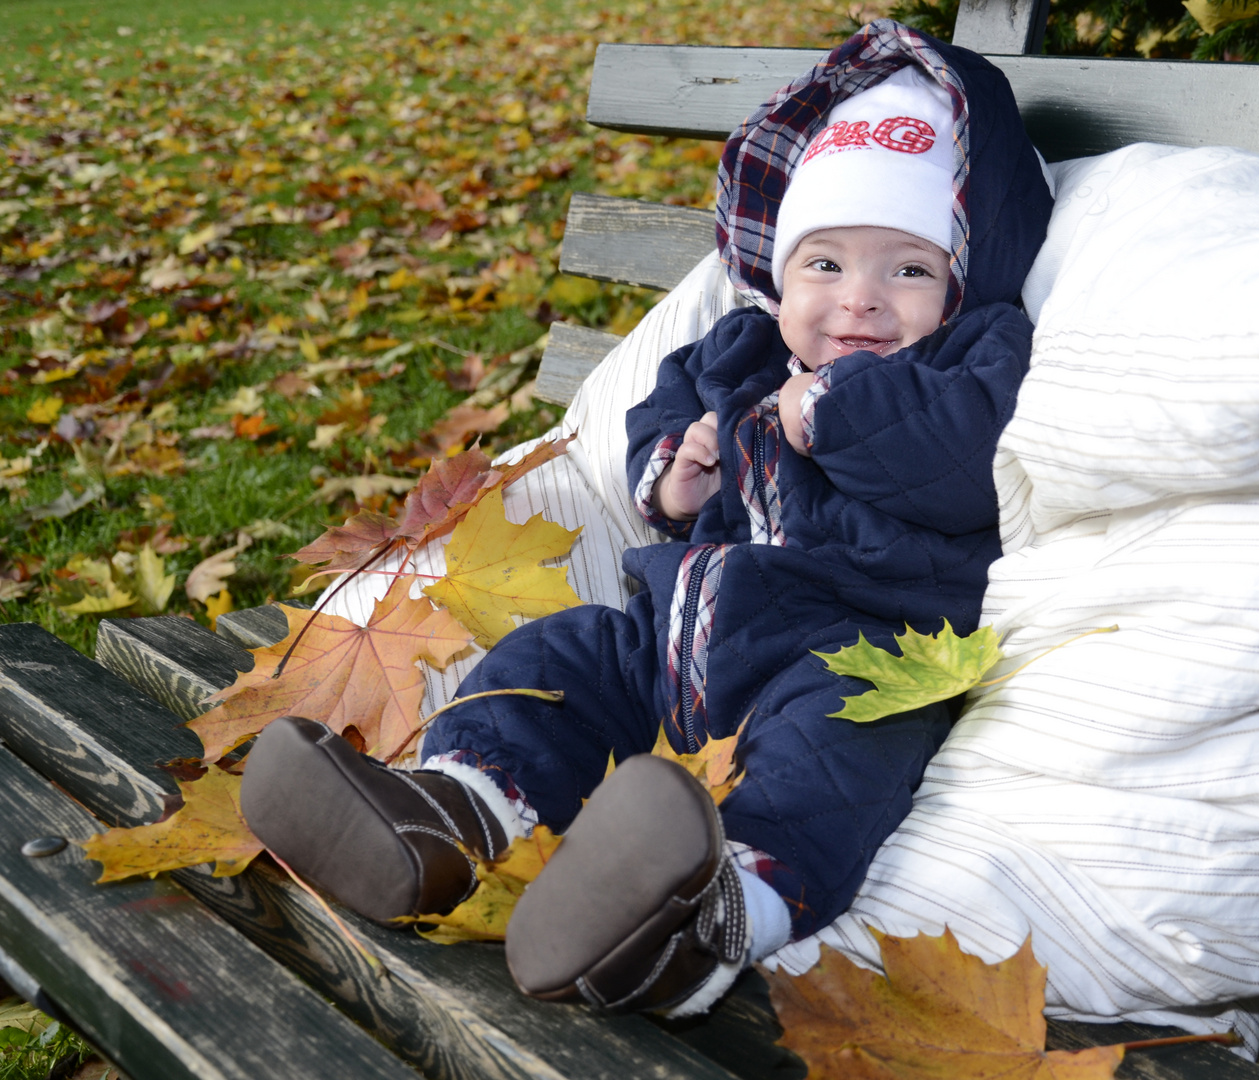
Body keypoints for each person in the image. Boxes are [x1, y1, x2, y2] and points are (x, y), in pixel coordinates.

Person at [239, 21, 1054, 1018]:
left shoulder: (977, 361)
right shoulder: (742, 351)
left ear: (964, 278)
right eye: (826, 265)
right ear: (779, 269)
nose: (860, 303)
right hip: (685, 628)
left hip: (856, 650)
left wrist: (833, 411)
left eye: (909, 271)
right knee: (560, 659)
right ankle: (446, 818)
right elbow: (654, 419)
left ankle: (701, 922)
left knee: (830, 773)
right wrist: (673, 475)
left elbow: (965, 463)